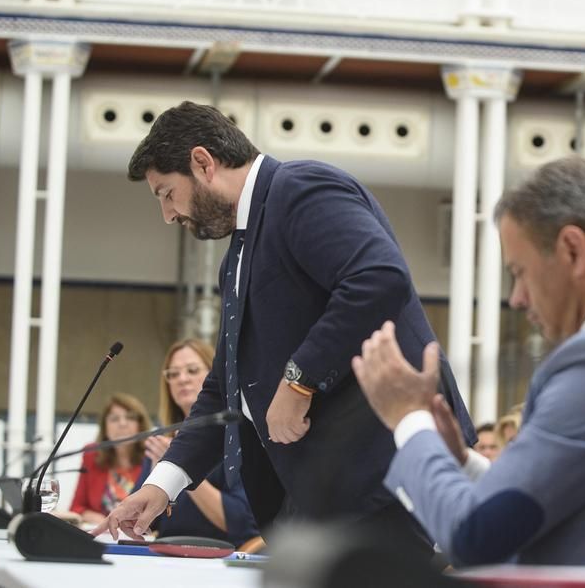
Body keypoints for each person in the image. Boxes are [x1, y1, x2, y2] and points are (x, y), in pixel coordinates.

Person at [96, 102, 474, 553]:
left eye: (166, 193)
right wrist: (163, 484)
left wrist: (299, 380)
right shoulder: (237, 254)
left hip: (377, 474)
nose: (168, 214)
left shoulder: (301, 188)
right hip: (321, 491)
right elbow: (225, 386)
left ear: (202, 163)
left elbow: (378, 278)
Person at [351, 156, 585, 566]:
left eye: (519, 272)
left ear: (572, 250)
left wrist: (408, 419)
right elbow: (546, 505)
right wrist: (463, 464)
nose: (518, 298)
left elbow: (473, 535)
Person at [132, 339, 259, 546]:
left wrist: (178, 471)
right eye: (173, 374)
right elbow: (141, 522)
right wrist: (157, 471)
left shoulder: (237, 437)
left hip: (220, 557)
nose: (182, 379)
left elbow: (242, 522)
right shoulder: (162, 440)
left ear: (213, 374)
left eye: (192, 370)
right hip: (163, 555)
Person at [69, 393, 152, 525]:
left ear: (140, 426)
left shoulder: (153, 458)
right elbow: (76, 508)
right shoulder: (91, 455)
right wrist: (105, 522)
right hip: (100, 536)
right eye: (114, 419)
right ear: (105, 428)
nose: (122, 424)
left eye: (130, 418)